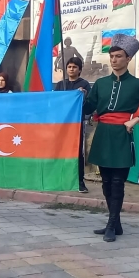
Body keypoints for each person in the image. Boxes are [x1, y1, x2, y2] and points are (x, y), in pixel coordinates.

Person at [83, 34, 139, 242]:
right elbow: (89, 107)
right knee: (105, 182)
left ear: (128, 58)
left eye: (118, 56)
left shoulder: (138, 84)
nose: (114, 60)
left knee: (117, 182)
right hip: (103, 134)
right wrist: (78, 96)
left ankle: (111, 225)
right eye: (112, 56)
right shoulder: (101, 83)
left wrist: (137, 119)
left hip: (123, 135)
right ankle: (115, 223)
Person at [55, 56, 93, 193]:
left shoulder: (84, 84)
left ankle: (79, 181)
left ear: (80, 69)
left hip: (77, 124)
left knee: (77, 152)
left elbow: (89, 105)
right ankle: (61, 178)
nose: (71, 69)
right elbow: (55, 103)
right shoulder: (60, 85)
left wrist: (82, 96)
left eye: (74, 67)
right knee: (60, 150)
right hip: (62, 124)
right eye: (69, 67)